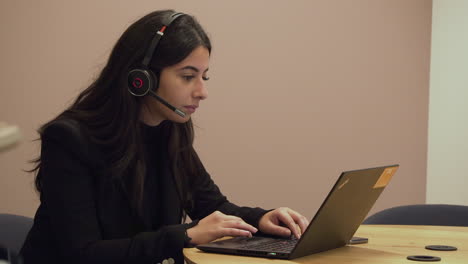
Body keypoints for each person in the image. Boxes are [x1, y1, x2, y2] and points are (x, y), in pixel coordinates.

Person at [20, 10, 309, 264]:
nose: (202, 91)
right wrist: (185, 235)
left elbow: (211, 207)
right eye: (187, 76)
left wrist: (261, 218)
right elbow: (83, 254)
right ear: (140, 79)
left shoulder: (171, 128)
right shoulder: (69, 140)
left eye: (203, 77)